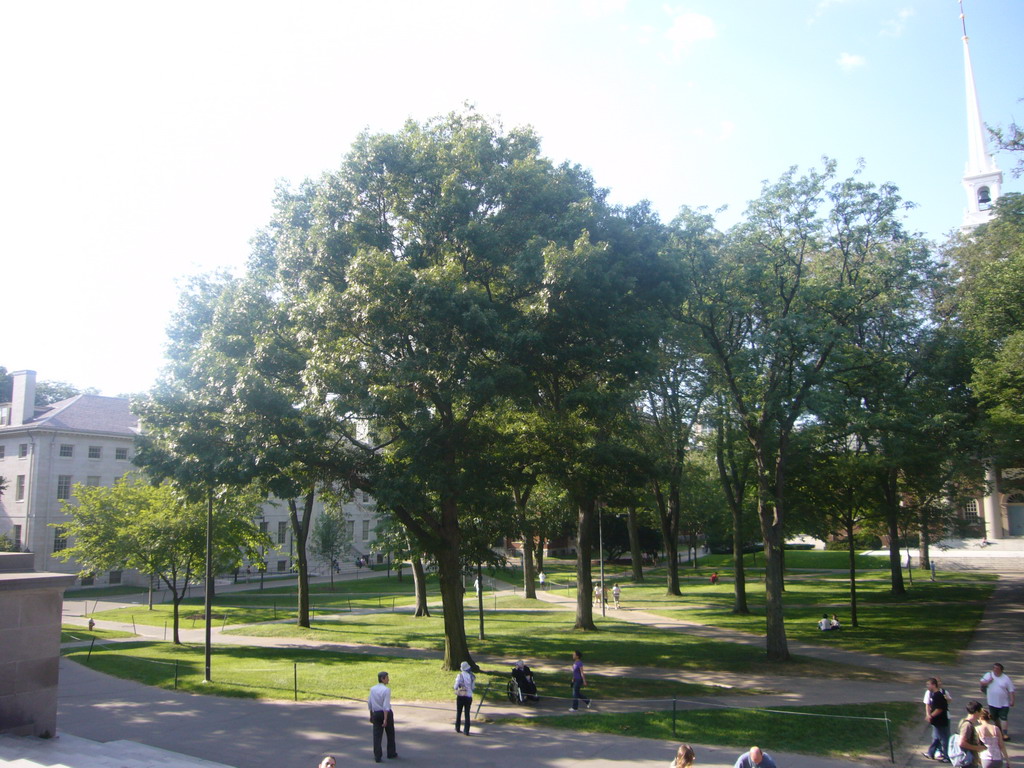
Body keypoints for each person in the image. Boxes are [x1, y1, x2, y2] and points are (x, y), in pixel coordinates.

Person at [980, 663, 1015, 740]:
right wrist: (988, 681)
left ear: (1001, 670)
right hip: (992, 702)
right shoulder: (989, 675)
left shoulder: (1006, 678)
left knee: (1003, 718)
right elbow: (981, 682)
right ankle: (999, 730)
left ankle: (1005, 734)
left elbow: (1011, 690)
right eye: (994, 668)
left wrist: (1012, 700)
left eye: (997, 669)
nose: (995, 670)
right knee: (995, 718)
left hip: (1004, 703)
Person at [368, 670, 397, 762]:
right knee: (390, 733)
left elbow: (370, 703)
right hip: (385, 714)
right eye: (387, 678)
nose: (388, 679)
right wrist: (385, 719)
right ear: (382, 679)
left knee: (377, 735)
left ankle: (377, 756)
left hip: (376, 713)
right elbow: (386, 705)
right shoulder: (386, 690)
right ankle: (391, 753)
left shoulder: (373, 689)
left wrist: (371, 714)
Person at [923, 677, 951, 762]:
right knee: (937, 737)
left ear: (933, 685)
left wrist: (930, 716)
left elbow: (939, 709)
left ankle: (947, 756)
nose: (927, 686)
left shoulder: (938, 695)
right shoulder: (935, 695)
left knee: (944, 738)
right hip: (937, 721)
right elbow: (929, 705)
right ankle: (931, 753)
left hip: (940, 720)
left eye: (928, 684)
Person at [958, 700, 988, 767]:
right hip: (968, 761)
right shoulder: (967, 725)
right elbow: (961, 743)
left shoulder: (966, 722)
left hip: (971, 760)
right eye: (981, 711)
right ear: (976, 712)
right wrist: (977, 748)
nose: (981, 714)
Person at [453, 660, 475, 735]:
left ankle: (457, 727)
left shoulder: (460, 675)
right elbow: (473, 687)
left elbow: (455, 686)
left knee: (459, 712)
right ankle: (466, 730)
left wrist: (459, 687)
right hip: (469, 696)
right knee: (467, 713)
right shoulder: (472, 676)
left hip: (461, 696)